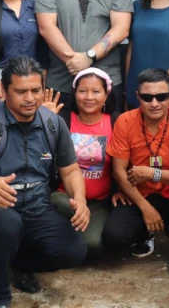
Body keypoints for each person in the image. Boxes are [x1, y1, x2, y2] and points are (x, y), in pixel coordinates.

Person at [0, 56, 88, 307]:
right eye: (21, 91)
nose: (30, 98)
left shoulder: (53, 123)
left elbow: (70, 169)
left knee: (74, 251)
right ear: (4, 91)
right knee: (6, 223)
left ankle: (18, 264)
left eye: (35, 90)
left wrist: (80, 199)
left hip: (38, 208)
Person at [103, 68, 169, 273]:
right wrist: (145, 208)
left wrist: (153, 173)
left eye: (162, 96)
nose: (155, 103)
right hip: (140, 194)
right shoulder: (125, 121)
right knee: (114, 237)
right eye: (147, 97)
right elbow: (118, 172)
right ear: (137, 97)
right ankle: (145, 230)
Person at [51, 67, 121, 256]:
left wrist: (120, 190)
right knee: (57, 203)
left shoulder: (116, 121)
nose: (89, 97)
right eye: (83, 91)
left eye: (96, 91)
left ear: (106, 94)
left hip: (99, 202)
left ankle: (71, 235)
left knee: (94, 244)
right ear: (74, 94)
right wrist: (46, 121)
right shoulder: (63, 118)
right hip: (65, 198)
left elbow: (124, 162)